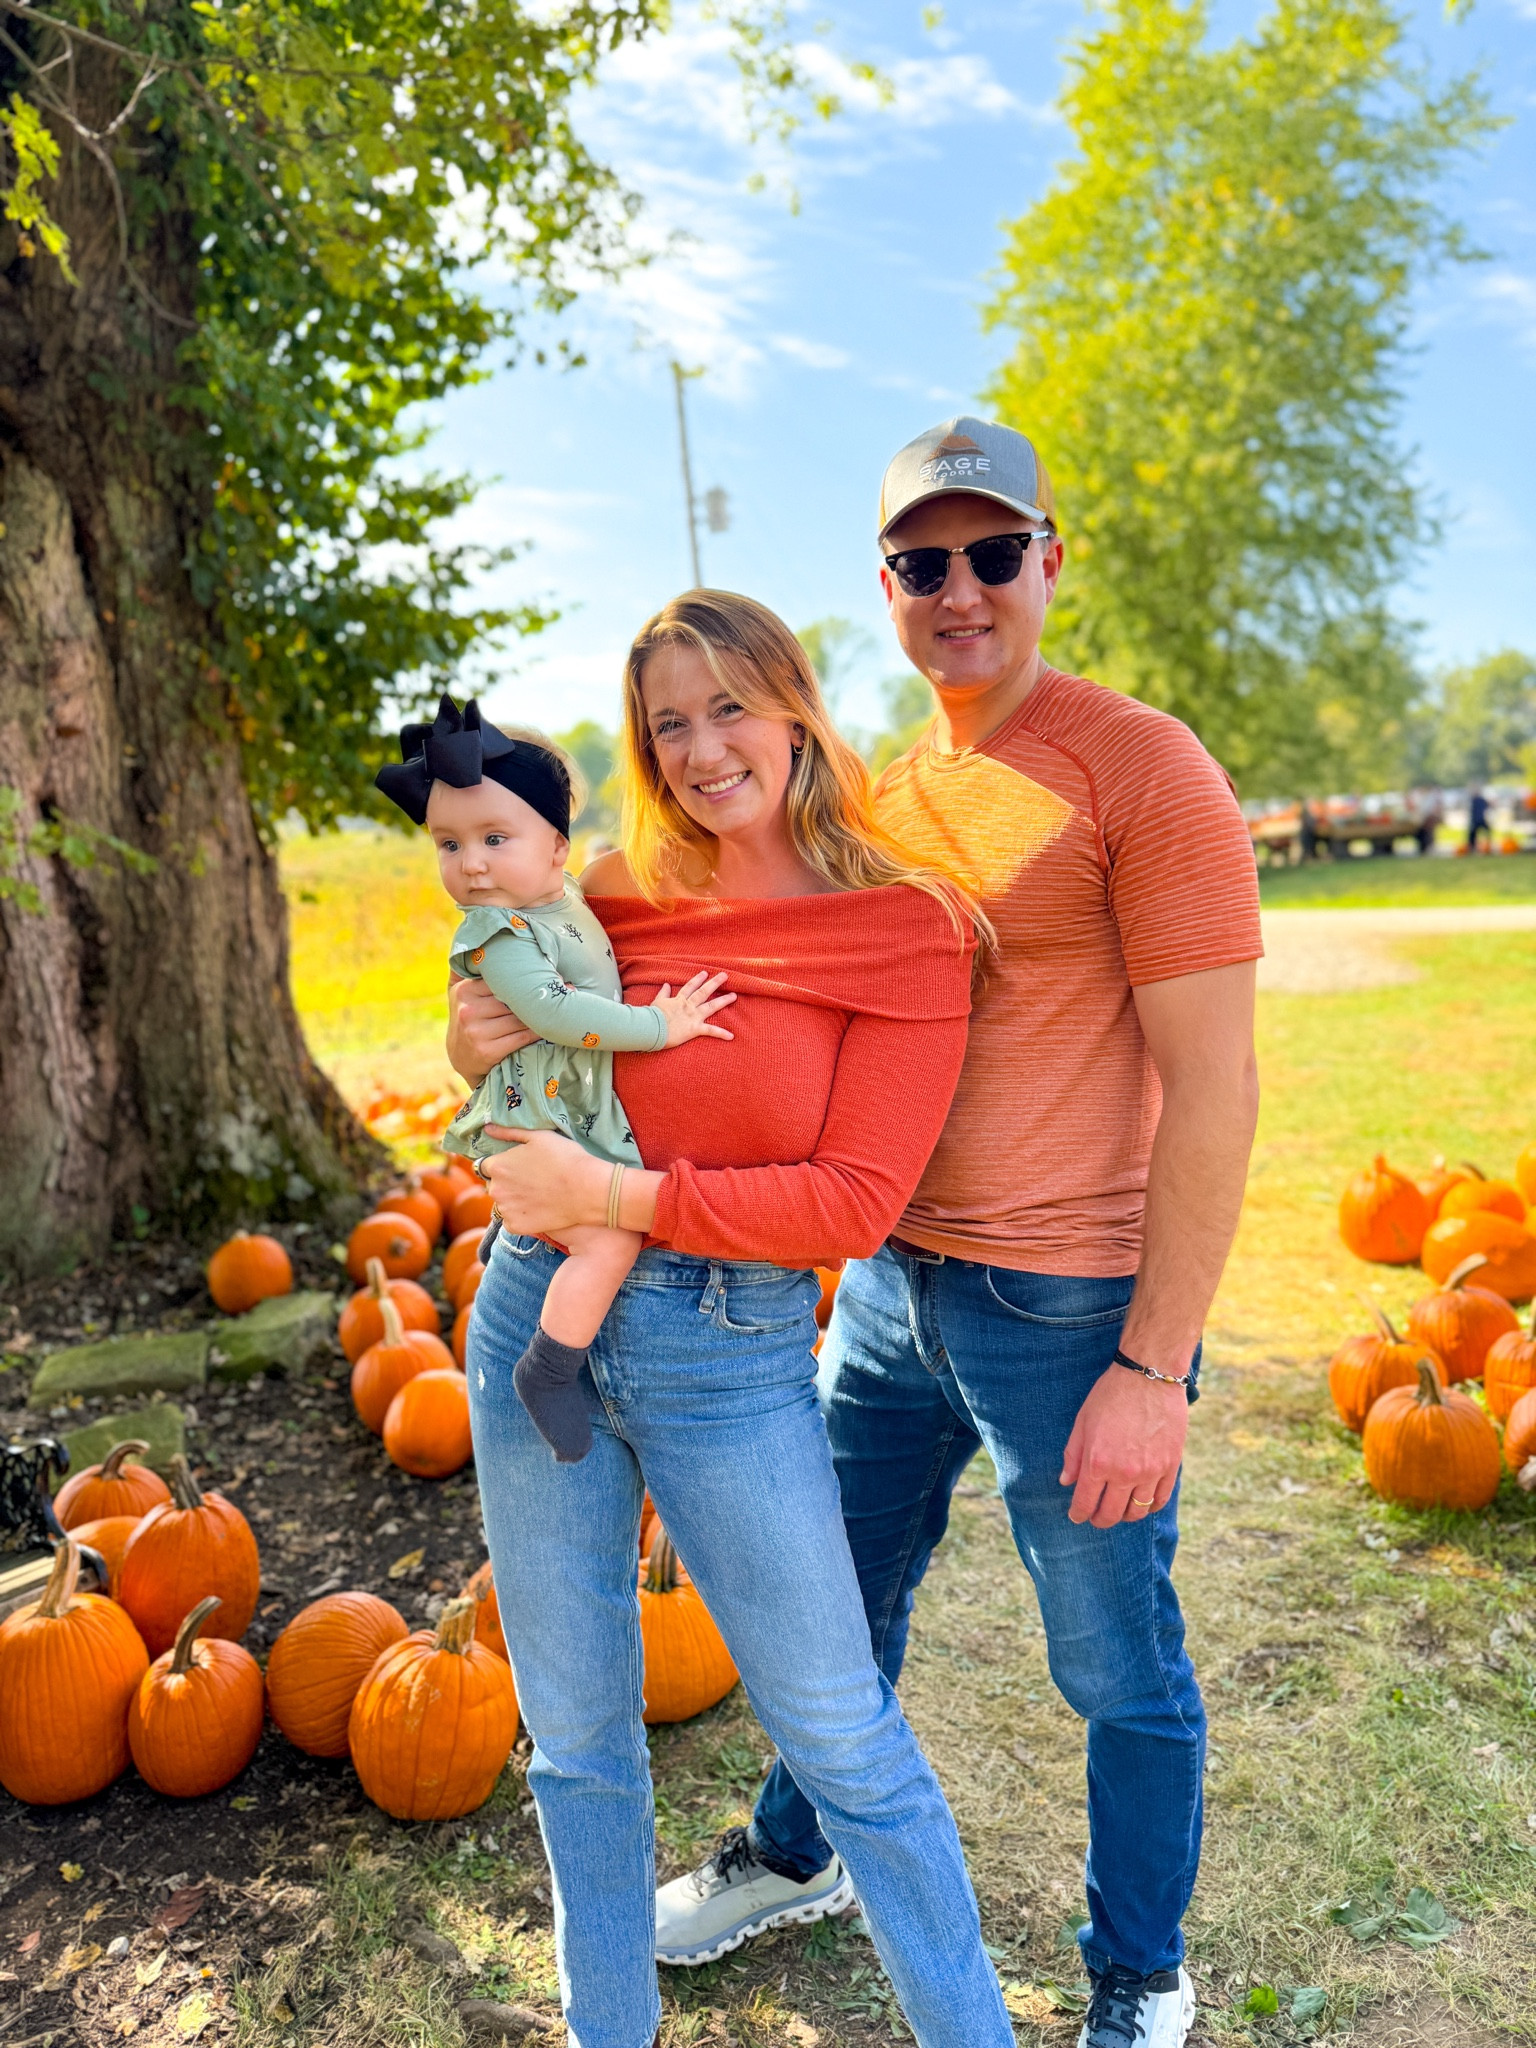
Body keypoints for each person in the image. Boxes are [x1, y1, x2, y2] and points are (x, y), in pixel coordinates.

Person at [650, 420, 1263, 2048]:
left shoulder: (1142, 766)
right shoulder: (877, 794)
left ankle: (1136, 1968)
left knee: (1112, 1663)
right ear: (890, 587)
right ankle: (796, 1854)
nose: (961, 586)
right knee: (824, 1609)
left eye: (994, 551)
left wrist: (1152, 1359)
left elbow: (1215, 1087)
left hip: (1070, 1307)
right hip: (883, 1288)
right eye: (926, 561)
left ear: (1048, 558)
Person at [451, 589, 1017, 2048]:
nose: (704, 749)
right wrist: (471, 1037)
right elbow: (518, 1035)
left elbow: (850, 1206)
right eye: (669, 723)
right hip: (534, 1322)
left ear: (795, 706)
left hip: (730, 1353)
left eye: (729, 707)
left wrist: (620, 1198)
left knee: (842, 1737)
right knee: (576, 1741)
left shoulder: (903, 929)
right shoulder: (613, 898)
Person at [374, 694, 736, 1462]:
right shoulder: (498, 929)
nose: (469, 863)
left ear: (557, 849)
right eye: (447, 843)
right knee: (610, 1242)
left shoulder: (562, 902)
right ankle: (549, 1367)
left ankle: (518, 1224)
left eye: (493, 837)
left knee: (597, 1199)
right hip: (538, 1116)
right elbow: (557, 1013)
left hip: (558, 1109)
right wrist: (661, 1027)